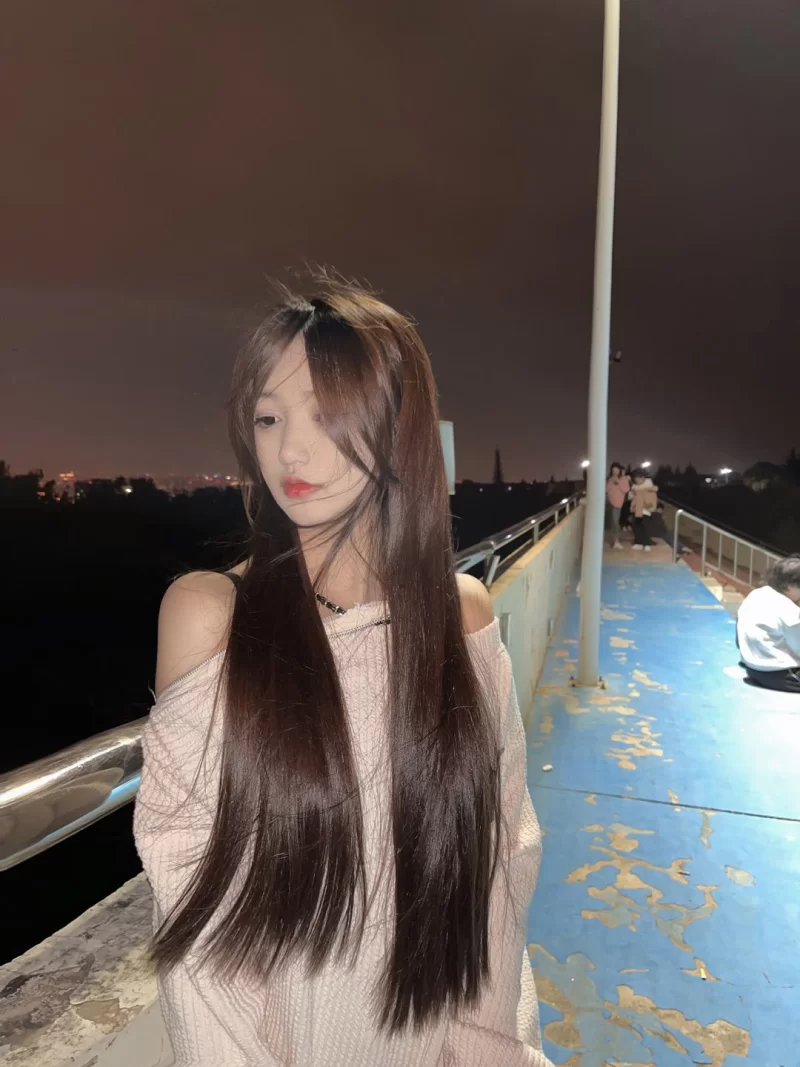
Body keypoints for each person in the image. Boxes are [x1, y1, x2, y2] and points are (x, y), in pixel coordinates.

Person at [133, 278, 552, 1066]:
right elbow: (196, 919)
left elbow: (496, 867)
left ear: (396, 426)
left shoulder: (461, 616)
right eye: (269, 417)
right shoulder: (214, 617)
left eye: (327, 412)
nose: (291, 450)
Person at [736, 555, 800, 693]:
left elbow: (738, 639)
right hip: (781, 674)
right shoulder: (789, 610)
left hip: (753, 668)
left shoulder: (756, 594)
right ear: (789, 586)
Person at [629, 469, 658, 551]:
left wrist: (649, 506)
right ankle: (639, 543)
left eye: (639, 478)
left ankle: (647, 544)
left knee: (645, 528)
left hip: (646, 511)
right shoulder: (635, 488)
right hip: (636, 510)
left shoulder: (649, 487)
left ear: (643, 478)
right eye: (635, 478)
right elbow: (631, 498)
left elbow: (653, 499)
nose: (637, 480)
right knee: (637, 527)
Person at [606, 462, 630, 549]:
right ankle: (614, 541)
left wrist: (618, 482)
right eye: (613, 470)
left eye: (616, 470)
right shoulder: (610, 479)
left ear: (620, 470)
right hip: (609, 503)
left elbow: (626, 489)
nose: (615, 472)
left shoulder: (623, 479)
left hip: (617, 504)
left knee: (615, 522)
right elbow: (606, 490)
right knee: (612, 523)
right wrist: (610, 482)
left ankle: (616, 540)